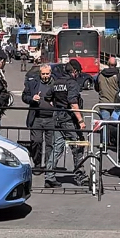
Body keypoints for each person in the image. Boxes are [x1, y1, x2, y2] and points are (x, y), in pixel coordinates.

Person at [43, 60, 88, 188]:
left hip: (57, 118)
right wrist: (80, 120)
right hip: (69, 120)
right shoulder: (71, 83)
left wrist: (58, 107)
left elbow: (48, 98)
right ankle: (80, 175)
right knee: (78, 146)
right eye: (78, 72)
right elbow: (73, 102)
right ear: (74, 71)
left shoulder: (56, 82)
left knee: (57, 147)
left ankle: (49, 176)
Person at [22, 64, 55, 169]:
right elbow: (24, 96)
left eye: (47, 74)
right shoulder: (33, 83)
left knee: (50, 144)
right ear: (40, 74)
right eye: (43, 74)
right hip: (37, 117)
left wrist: (56, 102)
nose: (45, 76)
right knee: (36, 141)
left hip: (51, 118)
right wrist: (32, 98)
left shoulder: (55, 83)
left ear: (50, 73)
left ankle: (49, 165)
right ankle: (37, 164)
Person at [96, 56, 120, 123]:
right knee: (115, 127)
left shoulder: (100, 75)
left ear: (108, 64)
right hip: (116, 104)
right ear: (116, 65)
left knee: (105, 126)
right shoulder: (119, 76)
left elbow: (96, 88)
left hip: (103, 104)